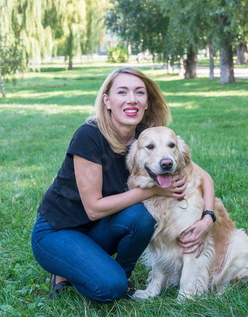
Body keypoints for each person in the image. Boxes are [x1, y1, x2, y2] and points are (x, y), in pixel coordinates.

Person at [31, 67, 216, 303]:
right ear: (107, 101)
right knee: (110, 289)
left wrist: (208, 217)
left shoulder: (147, 137)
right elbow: (93, 208)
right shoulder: (89, 136)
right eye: (122, 92)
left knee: (142, 216)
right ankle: (64, 268)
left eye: (139, 92)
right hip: (58, 230)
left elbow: (205, 177)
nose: (132, 99)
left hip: (99, 229)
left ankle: (121, 272)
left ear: (147, 102)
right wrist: (154, 190)